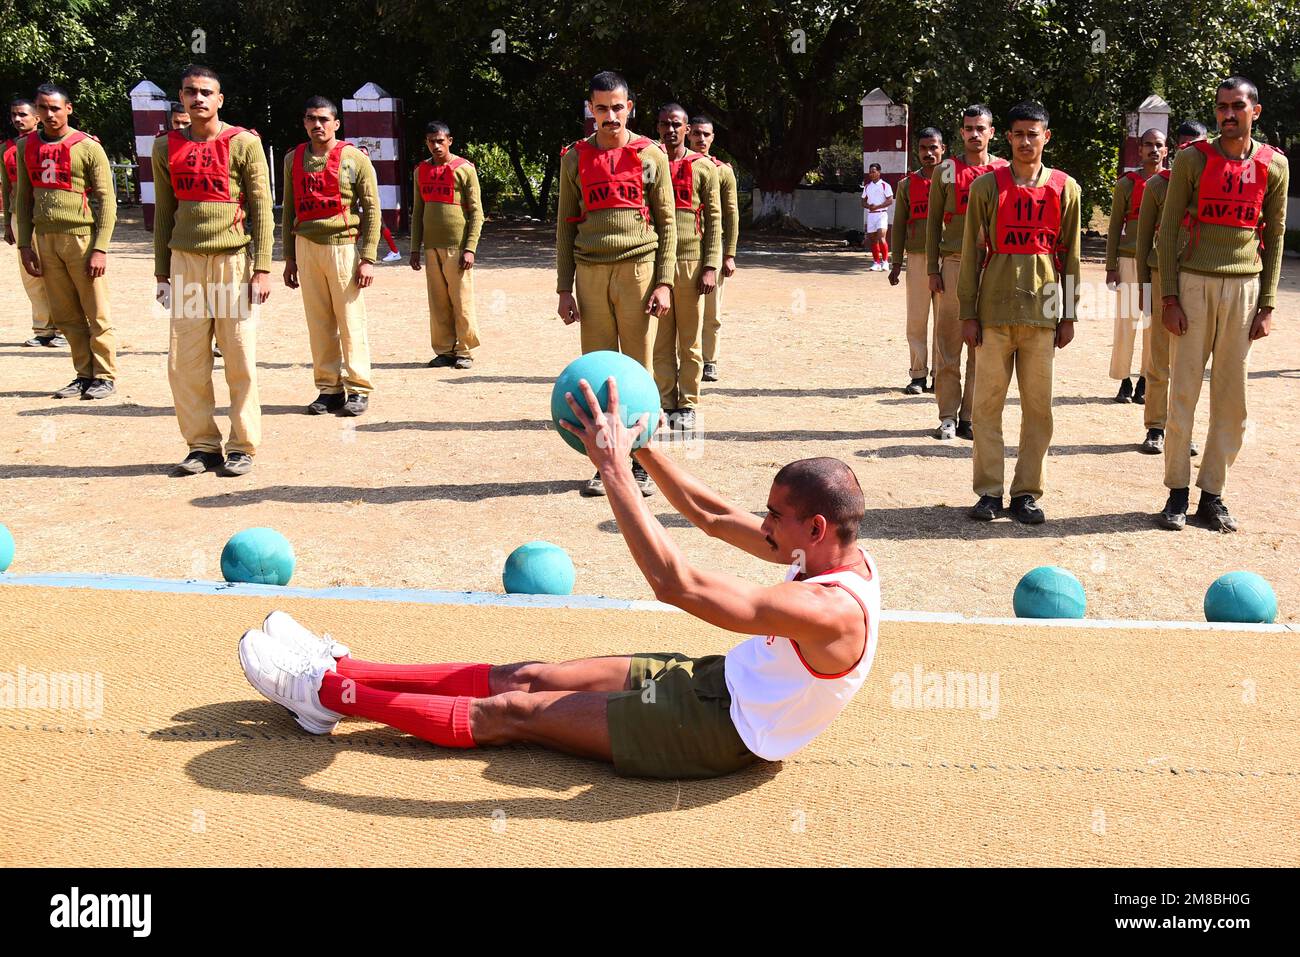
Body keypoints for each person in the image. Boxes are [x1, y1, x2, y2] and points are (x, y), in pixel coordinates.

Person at [238, 377, 878, 780]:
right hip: (711, 680)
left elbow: (676, 584)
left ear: (816, 527)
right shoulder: (824, 552)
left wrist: (613, 471)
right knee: (526, 674)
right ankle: (345, 670)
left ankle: (323, 695)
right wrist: (641, 442)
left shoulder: (829, 612)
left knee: (513, 711)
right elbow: (712, 517)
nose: (762, 520)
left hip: (716, 733)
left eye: (774, 513)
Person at [1155, 77, 1289, 532]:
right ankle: (1176, 492)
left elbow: (1275, 235)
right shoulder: (1193, 158)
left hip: (1245, 289)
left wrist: (1267, 303)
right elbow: (1169, 228)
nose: (1228, 115)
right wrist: (1168, 296)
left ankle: (1212, 495)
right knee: (1183, 393)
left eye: (1237, 107)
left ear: (1256, 111)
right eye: (1221, 108)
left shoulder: (1275, 165)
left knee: (1232, 400)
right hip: (1193, 285)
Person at [555, 70, 676, 497]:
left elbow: (667, 223)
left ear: (631, 108)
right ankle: (605, 461)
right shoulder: (574, 157)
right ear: (590, 110)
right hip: (590, 273)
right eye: (601, 108)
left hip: (638, 270)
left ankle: (642, 461)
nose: (610, 116)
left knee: (639, 371)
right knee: (598, 371)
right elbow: (565, 227)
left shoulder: (651, 155)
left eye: (617, 107)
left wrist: (664, 282)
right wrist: (563, 288)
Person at [959, 102, 1081, 525]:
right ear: (1007, 138)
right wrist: (967, 312)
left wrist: (1068, 314)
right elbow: (972, 252)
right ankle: (989, 493)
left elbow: (1071, 255)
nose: (1026, 141)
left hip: (1043, 315)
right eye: (1018, 134)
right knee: (987, 407)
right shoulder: (986, 187)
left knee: (1038, 409)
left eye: (1034, 133)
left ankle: (1026, 493)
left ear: (1046, 137)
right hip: (993, 311)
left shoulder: (1066, 188)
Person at [153, 64, 273, 477]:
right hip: (185, 263)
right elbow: (164, 212)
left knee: (238, 356)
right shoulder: (165, 146)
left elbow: (261, 208)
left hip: (232, 261)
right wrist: (161, 271)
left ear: (220, 99)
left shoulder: (242, 143)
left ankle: (242, 445)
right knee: (185, 362)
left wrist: (262, 267)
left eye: (206, 92)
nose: (198, 98)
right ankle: (202, 445)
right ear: (181, 98)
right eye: (191, 91)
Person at [13, 83, 117, 400]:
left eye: (55, 108)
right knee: (65, 313)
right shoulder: (25, 146)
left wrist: (100, 248)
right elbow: (23, 198)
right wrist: (24, 244)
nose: (49, 114)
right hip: (45, 238)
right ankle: (83, 374)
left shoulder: (87, 146)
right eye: (43, 108)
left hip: (81, 239)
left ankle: (105, 375)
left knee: (95, 310)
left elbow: (107, 200)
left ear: (68, 109)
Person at [282, 95, 380, 417]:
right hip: (306, 246)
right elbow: (288, 211)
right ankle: (329, 389)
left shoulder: (354, 158)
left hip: (343, 246)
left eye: (324, 119)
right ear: (304, 122)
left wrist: (367, 256)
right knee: (319, 322)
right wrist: (289, 258)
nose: (317, 125)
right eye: (311, 119)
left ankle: (359, 388)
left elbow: (372, 210)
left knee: (350, 320)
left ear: (336, 123)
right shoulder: (292, 159)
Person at [925, 105, 1008, 441]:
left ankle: (970, 416)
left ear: (992, 132)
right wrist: (933, 269)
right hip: (954, 264)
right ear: (961, 133)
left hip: (991, 266)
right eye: (969, 128)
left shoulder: (1004, 171)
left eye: (981, 128)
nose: (975, 134)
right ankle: (947, 415)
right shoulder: (946, 170)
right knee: (947, 345)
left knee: (983, 346)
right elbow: (932, 224)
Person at [1132, 120, 1207, 455]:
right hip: (1162, 277)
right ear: (1176, 148)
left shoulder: (1212, 186)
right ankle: (1156, 428)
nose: (1192, 150)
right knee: (1159, 359)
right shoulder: (1159, 185)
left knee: (1189, 364)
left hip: (1198, 278)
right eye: (1186, 144)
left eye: (1199, 144)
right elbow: (1144, 240)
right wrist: (1144, 290)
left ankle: (1183, 429)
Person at [654, 103, 720, 435]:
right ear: (657, 127)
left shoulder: (704, 168)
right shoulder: (648, 164)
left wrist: (711, 266)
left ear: (687, 129)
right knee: (661, 340)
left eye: (676, 124)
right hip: (656, 263)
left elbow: (714, 220)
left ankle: (688, 404)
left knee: (690, 341)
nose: (670, 130)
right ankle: (665, 402)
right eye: (664, 124)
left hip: (692, 264)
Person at [410, 121, 482, 369]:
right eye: (431, 141)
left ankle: (464, 350)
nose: (436, 145)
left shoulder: (464, 169)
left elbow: (476, 212)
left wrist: (470, 247)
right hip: (431, 246)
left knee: (461, 300)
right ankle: (444, 349)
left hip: (457, 246)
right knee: (438, 301)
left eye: (440, 140)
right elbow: (418, 212)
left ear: (450, 140)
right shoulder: (420, 171)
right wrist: (414, 249)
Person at [1105, 127, 1167, 404]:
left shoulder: (1173, 183)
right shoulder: (1126, 184)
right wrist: (1110, 265)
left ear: (1166, 151)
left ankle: (1145, 378)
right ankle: (1124, 380)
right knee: (1126, 322)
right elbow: (1115, 225)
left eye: (1159, 145)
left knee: (1153, 325)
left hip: (1159, 263)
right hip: (1129, 259)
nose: (1153, 149)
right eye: (1148, 145)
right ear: (1139, 150)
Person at [888, 128, 945, 394]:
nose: (929, 153)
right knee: (917, 319)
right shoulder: (907, 184)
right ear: (917, 151)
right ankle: (918, 375)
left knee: (944, 321)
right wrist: (896, 261)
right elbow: (898, 225)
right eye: (924, 148)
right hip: (919, 259)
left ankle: (941, 376)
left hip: (949, 258)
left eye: (934, 148)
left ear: (943, 149)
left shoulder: (953, 181)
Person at [2, 97, 62, 348]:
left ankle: (63, 328)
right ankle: (43, 328)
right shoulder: (6, 148)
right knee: (31, 275)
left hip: (46, 216)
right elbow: (7, 186)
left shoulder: (46, 145)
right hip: (20, 217)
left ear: (36, 117)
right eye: (14, 115)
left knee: (56, 272)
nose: (18, 119)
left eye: (23, 115)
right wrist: (8, 223)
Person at [686, 116, 737, 383]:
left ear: (713, 137)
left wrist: (729, 254)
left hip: (712, 251)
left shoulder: (722, 171)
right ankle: (683, 357)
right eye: (696, 134)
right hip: (682, 250)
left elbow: (731, 215)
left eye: (706, 134)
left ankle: (710, 360)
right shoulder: (674, 166)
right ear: (687, 134)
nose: (701, 139)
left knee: (711, 312)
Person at [861, 163, 893, 270]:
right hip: (871, 215)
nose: (872, 174)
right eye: (870, 172)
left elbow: (889, 200)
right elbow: (863, 201)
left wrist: (878, 206)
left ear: (879, 172)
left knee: (881, 237)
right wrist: (869, 206)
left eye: (874, 172)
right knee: (873, 239)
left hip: (882, 214)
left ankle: (885, 261)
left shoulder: (885, 185)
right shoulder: (867, 187)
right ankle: (876, 263)